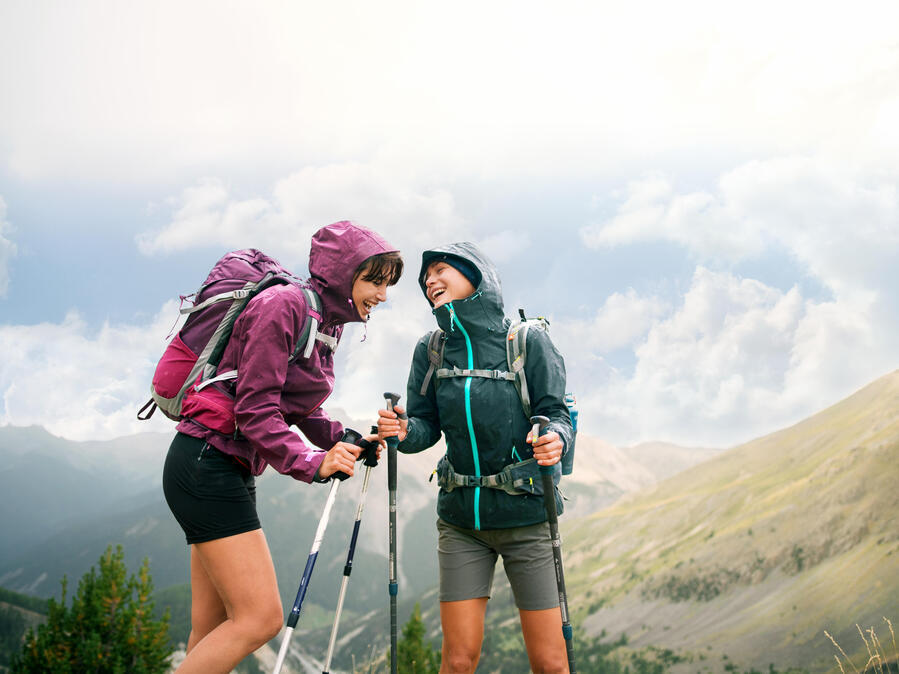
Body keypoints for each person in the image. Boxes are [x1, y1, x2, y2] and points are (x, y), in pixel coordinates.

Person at [162, 221, 402, 673]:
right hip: (205, 465)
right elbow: (255, 412)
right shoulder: (284, 306)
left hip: (220, 465)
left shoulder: (322, 322)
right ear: (342, 272)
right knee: (260, 619)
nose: (382, 295)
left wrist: (344, 439)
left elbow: (295, 406)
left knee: (212, 627)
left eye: (386, 284)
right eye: (374, 281)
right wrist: (313, 462)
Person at [378, 243, 574, 674]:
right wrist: (405, 429)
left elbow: (558, 414)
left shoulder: (527, 341)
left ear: (476, 274)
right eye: (425, 276)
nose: (429, 280)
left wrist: (556, 438)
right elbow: (426, 428)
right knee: (458, 661)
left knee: (551, 664)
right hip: (461, 521)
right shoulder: (430, 349)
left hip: (527, 518)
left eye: (441, 268)